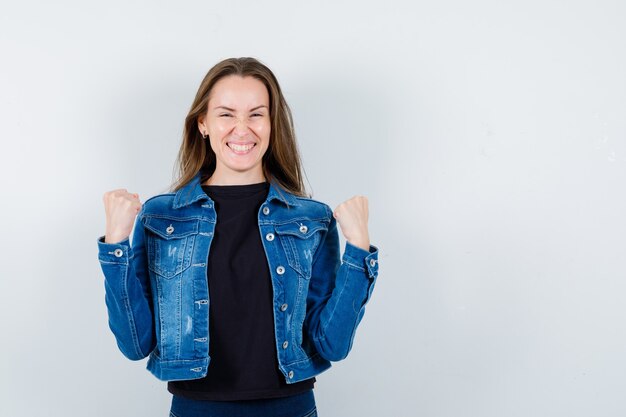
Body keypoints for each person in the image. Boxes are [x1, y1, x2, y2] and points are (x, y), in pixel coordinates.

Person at [97, 57, 380, 417]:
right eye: (226, 114)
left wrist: (358, 252)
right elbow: (135, 343)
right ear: (203, 123)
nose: (241, 128)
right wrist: (115, 246)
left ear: (273, 124)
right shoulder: (160, 218)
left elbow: (332, 345)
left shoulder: (312, 220)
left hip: (290, 409)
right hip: (196, 410)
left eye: (256, 114)